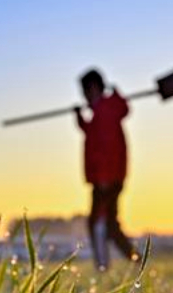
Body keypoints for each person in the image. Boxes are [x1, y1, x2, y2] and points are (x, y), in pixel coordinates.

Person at [75, 69, 138, 270]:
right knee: (110, 225)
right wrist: (80, 118)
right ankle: (135, 259)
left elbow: (105, 149)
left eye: (85, 91)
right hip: (111, 176)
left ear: (93, 88)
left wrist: (103, 178)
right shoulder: (103, 112)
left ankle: (103, 266)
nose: (83, 95)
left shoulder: (104, 113)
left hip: (106, 178)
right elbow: (92, 135)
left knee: (98, 223)